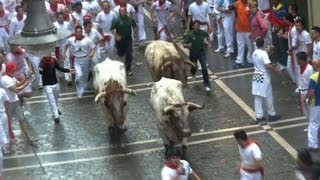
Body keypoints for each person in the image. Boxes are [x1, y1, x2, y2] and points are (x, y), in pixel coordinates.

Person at [1, 62, 37, 144]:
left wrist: (26, 79)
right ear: (10, 70)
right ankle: (6, 140)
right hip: (8, 103)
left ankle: (28, 137)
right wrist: (25, 85)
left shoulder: (12, 77)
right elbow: (15, 89)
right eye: (13, 70)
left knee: (22, 119)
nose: (15, 71)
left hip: (15, 101)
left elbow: (17, 84)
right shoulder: (5, 79)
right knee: (7, 122)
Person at [252, 38, 281, 123]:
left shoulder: (255, 52)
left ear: (256, 44)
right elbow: (268, 65)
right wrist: (276, 71)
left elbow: (263, 56)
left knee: (257, 97)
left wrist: (269, 51)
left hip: (256, 76)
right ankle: (271, 114)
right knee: (269, 95)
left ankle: (259, 116)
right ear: (263, 44)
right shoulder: (263, 53)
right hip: (264, 76)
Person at [63, 25, 95, 98]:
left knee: (84, 76)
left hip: (86, 60)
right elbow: (66, 45)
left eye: (80, 32)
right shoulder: (71, 40)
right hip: (77, 60)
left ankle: (84, 84)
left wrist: (92, 53)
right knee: (78, 76)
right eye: (77, 32)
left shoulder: (87, 40)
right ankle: (79, 91)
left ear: (82, 32)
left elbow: (93, 47)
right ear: (75, 32)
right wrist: (64, 53)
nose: (79, 33)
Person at [39, 55, 73, 123]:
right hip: (47, 85)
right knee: (52, 101)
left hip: (55, 83)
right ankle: (56, 115)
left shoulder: (53, 60)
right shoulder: (42, 62)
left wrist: (68, 70)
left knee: (56, 98)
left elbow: (59, 68)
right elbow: (41, 72)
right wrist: (41, 70)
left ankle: (56, 109)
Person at [183, 20, 211, 92]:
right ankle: (192, 72)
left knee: (204, 68)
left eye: (198, 25)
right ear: (192, 26)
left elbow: (207, 36)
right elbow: (184, 44)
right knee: (194, 66)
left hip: (201, 52)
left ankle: (207, 85)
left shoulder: (202, 32)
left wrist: (208, 43)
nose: (197, 27)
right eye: (195, 25)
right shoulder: (189, 34)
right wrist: (187, 45)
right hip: (193, 53)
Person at [111, 6, 137, 76]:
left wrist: (134, 33)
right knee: (120, 53)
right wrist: (117, 36)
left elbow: (134, 26)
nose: (122, 12)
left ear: (126, 11)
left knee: (129, 54)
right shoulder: (116, 20)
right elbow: (112, 29)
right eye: (121, 11)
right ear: (119, 12)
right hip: (120, 40)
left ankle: (128, 68)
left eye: (123, 11)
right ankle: (120, 60)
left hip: (128, 39)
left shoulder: (130, 19)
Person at [229, 0, 253, 69]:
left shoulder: (250, 2)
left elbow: (255, 11)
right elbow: (230, 8)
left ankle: (250, 61)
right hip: (239, 28)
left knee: (250, 46)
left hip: (249, 29)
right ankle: (239, 61)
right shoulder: (238, 3)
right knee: (240, 45)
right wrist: (231, 6)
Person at [296, 51, 314, 132]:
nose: (296, 60)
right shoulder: (300, 67)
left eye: (297, 59)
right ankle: (310, 125)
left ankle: (313, 126)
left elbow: (311, 83)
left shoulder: (309, 69)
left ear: (301, 60)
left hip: (307, 92)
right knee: (305, 110)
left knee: (310, 110)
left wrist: (308, 95)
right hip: (302, 91)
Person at [305, 60, 320, 150]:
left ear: (315, 66)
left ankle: (313, 144)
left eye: (313, 64)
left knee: (313, 123)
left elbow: (311, 92)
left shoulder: (314, 77)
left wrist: (307, 100)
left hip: (316, 103)